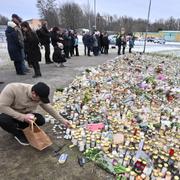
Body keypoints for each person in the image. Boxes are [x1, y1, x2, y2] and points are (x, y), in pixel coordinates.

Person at [0, 82, 71, 146]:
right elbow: (2, 106)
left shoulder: (39, 96)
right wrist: (23, 117)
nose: (40, 101)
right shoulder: (12, 89)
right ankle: (18, 134)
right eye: (40, 99)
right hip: (10, 114)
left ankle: (19, 125)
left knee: (40, 120)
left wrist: (63, 121)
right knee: (3, 120)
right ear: (34, 94)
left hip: (26, 114)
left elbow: (49, 108)